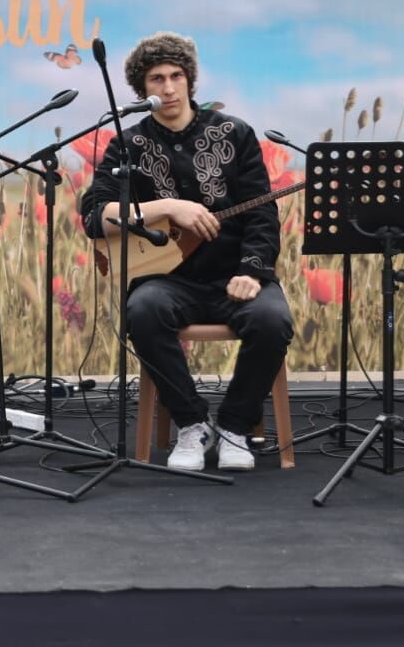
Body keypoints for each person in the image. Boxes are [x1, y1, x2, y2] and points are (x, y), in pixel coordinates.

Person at [79, 32, 293, 471]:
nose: (169, 87)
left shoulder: (234, 133)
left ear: (190, 80)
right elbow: (93, 215)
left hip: (234, 273)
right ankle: (192, 423)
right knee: (143, 310)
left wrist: (253, 271)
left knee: (271, 319)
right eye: (157, 79)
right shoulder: (128, 145)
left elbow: (263, 215)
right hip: (167, 281)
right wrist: (168, 207)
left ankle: (233, 426)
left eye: (177, 76)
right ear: (143, 90)